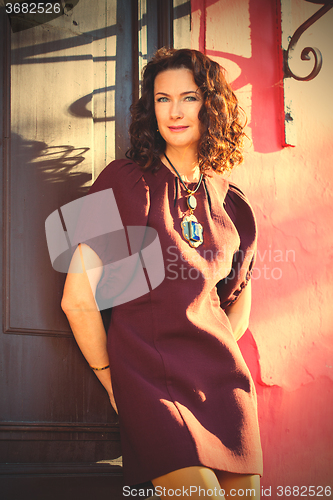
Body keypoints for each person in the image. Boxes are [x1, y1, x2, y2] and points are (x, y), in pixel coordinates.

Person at [61, 48, 263, 499]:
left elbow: (236, 314)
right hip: (149, 382)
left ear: (211, 106)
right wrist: (115, 381)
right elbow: (76, 298)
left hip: (223, 386)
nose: (173, 111)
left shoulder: (235, 205)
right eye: (161, 99)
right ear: (150, 108)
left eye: (188, 98)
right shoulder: (122, 183)